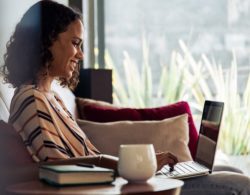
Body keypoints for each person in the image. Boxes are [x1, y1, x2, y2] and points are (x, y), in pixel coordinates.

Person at [1, 1, 250, 194]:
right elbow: (63, 169)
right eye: (75, 43)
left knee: (228, 171)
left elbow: (81, 161)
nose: (80, 55)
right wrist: (138, 165)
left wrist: (142, 164)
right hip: (110, 187)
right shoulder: (31, 100)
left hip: (115, 182)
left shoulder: (50, 97)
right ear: (47, 40)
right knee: (240, 185)